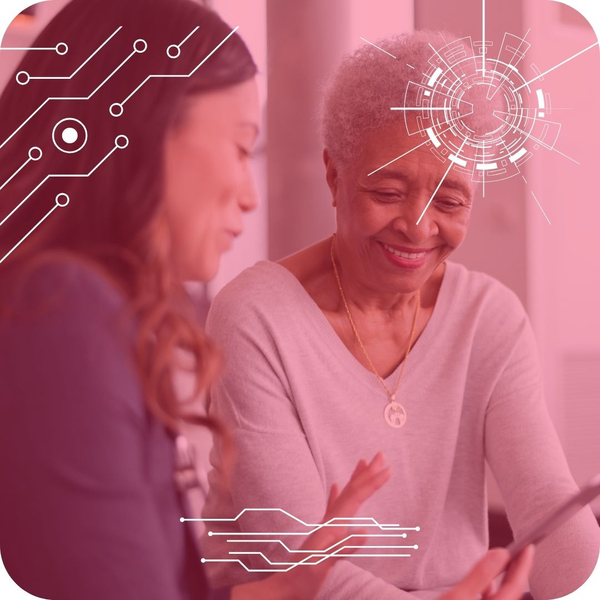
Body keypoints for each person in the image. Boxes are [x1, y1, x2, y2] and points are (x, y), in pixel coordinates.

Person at [0, 2, 534, 598]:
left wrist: (290, 585)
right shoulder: (63, 318)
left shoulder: (92, 316)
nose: (252, 197)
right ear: (142, 139)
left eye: (451, 200)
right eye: (238, 147)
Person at [200, 32, 599, 600]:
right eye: (387, 191)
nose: (418, 226)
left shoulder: (490, 319)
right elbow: (297, 567)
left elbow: (559, 545)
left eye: (450, 200)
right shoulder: (255, 317)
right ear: (335, 174)